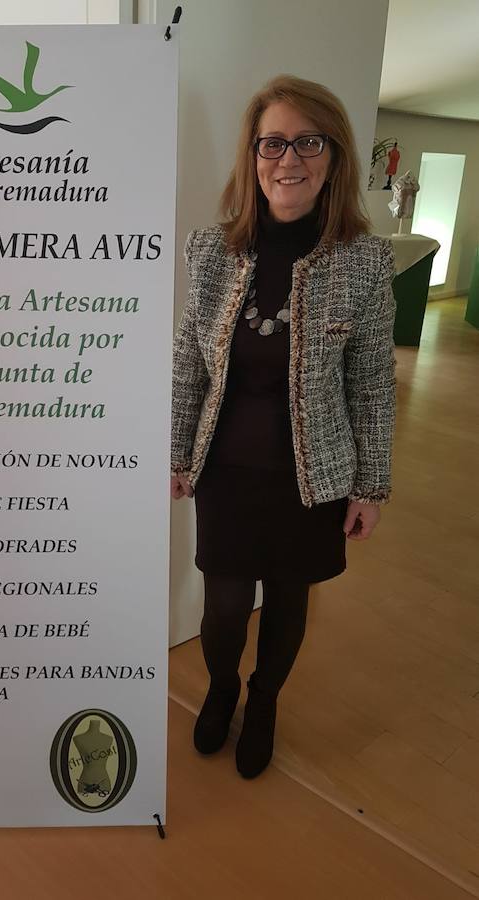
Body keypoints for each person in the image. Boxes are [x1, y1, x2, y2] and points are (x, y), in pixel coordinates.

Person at [170, 75, 396, 780]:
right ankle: (221, 689)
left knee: (288, 597)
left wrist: (371, 485)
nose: (288, 159)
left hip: (314, 474)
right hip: (226, 470)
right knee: (225, 604)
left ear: (333, 156)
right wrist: (176, 452)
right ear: (252, 154)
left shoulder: (363, 261)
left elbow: (371, 381)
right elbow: (188, 360)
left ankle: (264, 700)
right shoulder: (211, 250)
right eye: (273, 142)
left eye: (308, 141)